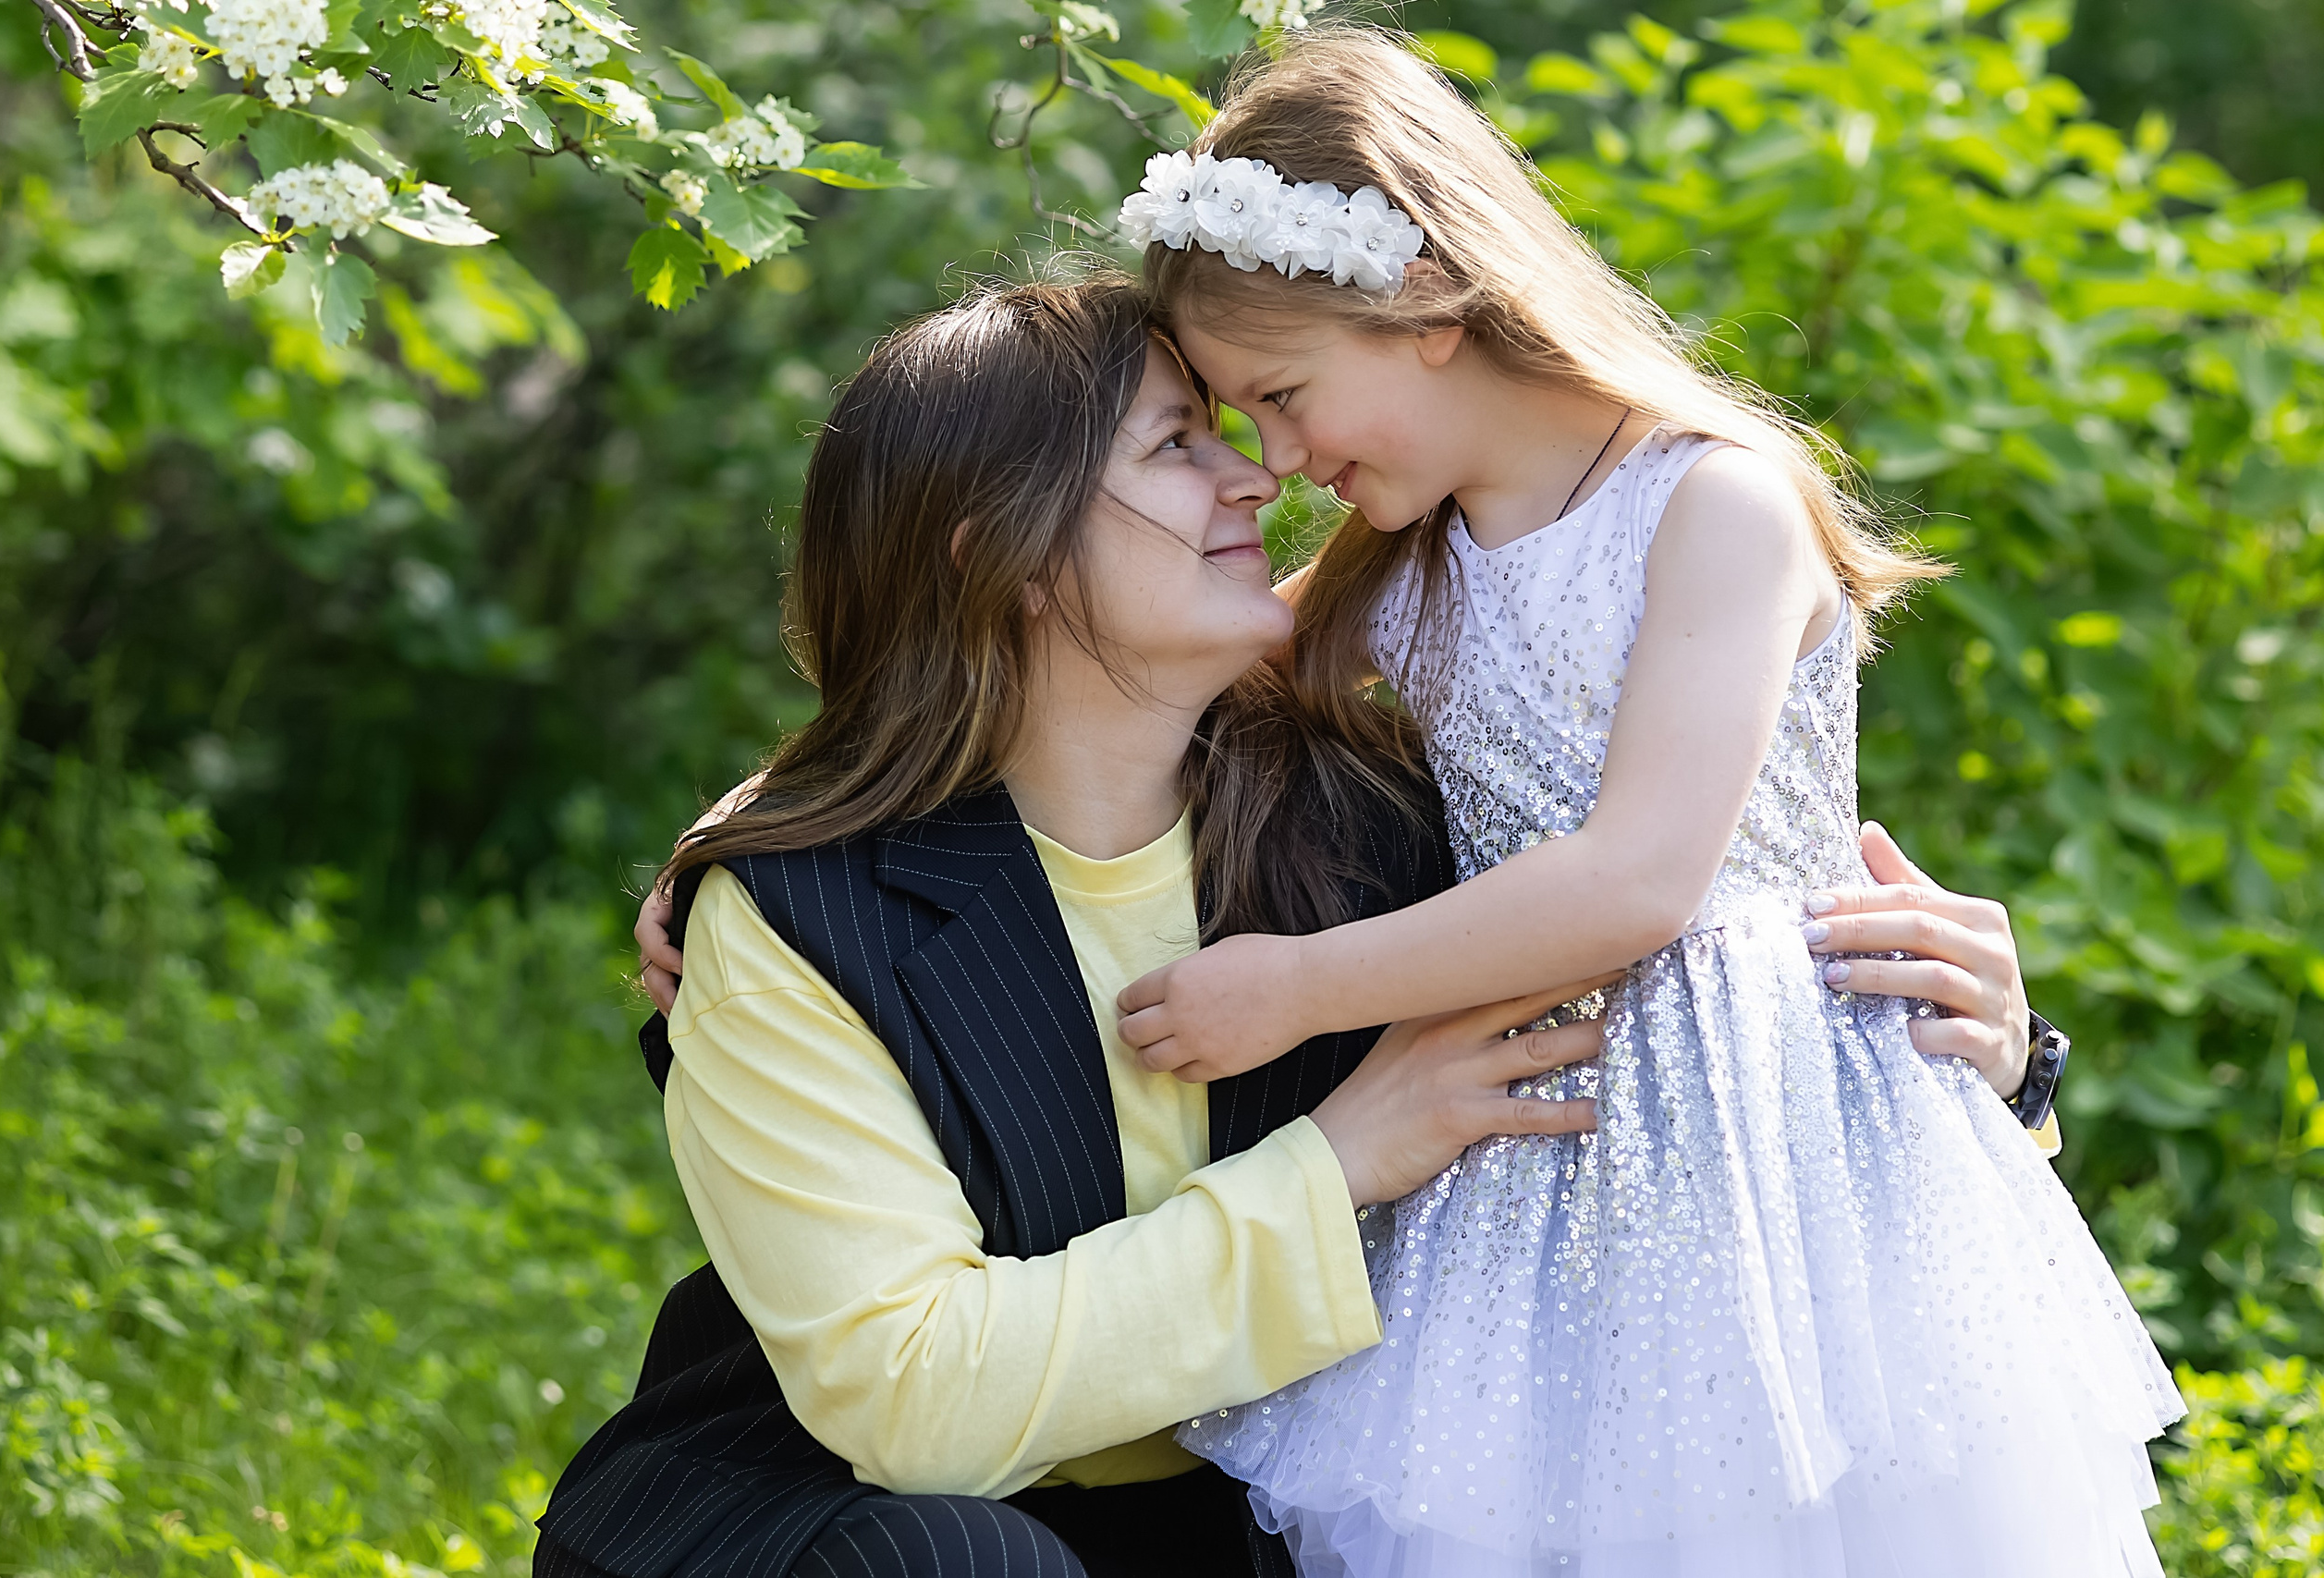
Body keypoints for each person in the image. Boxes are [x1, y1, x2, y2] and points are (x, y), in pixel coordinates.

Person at [541, 278, 2063, 1578]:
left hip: (1243, 1508)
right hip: (854, 1518)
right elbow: (916, 1405)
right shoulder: (803, 914)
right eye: (1177, 443)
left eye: (1242, 423)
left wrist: (1993, 1059)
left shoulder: (1386, 836)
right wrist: (1339, 1165)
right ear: (995, 553)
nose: (1259, 477)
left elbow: (1679, 1026)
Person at [1108, 31, 2180, 1578]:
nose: (1273, 462)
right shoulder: (1401, 562)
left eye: (1280, 395)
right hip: (1546, 1154)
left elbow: (1638, 885)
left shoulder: (1711, 500)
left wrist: (1294, 989)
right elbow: (1122, 672)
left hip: (1783, 1156)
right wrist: (761, 836)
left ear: (1421, 301)